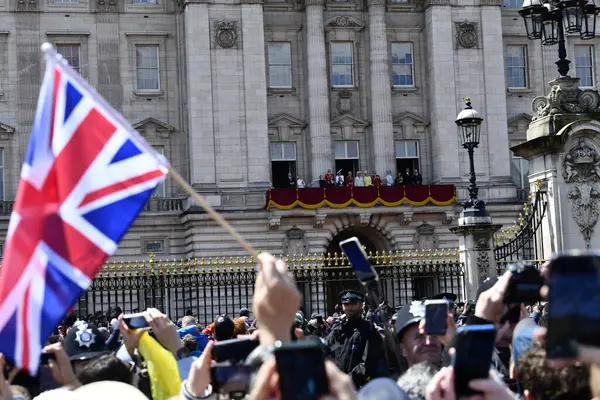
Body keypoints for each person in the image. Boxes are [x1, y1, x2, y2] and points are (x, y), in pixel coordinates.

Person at [325, 289, 388, 388]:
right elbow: (325, 353)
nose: (349, 308)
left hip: (359, 388)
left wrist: (346, 381)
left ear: (361, 306)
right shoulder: (337, 331)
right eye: (346, 305)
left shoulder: (369, 331)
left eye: (353, 304)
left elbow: (367, 364)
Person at [394, 301, 444, 374]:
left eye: (434, 335)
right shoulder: (391, 385)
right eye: (419, 337)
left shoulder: (457, 383)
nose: (429, 342)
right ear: (403, 348)